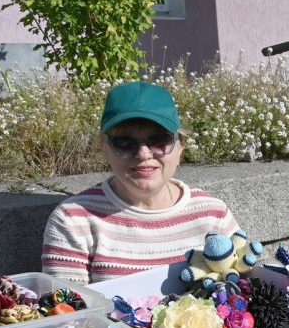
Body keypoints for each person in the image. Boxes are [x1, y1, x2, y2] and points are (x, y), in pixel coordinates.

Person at [42, 82, 241, 284]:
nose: (143, 154)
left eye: (159, 140)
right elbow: (64, 302)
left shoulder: (213, 214)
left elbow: (242, 287)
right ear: (103, 148)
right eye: (124, 142)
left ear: (180, 146)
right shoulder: (72, 221)